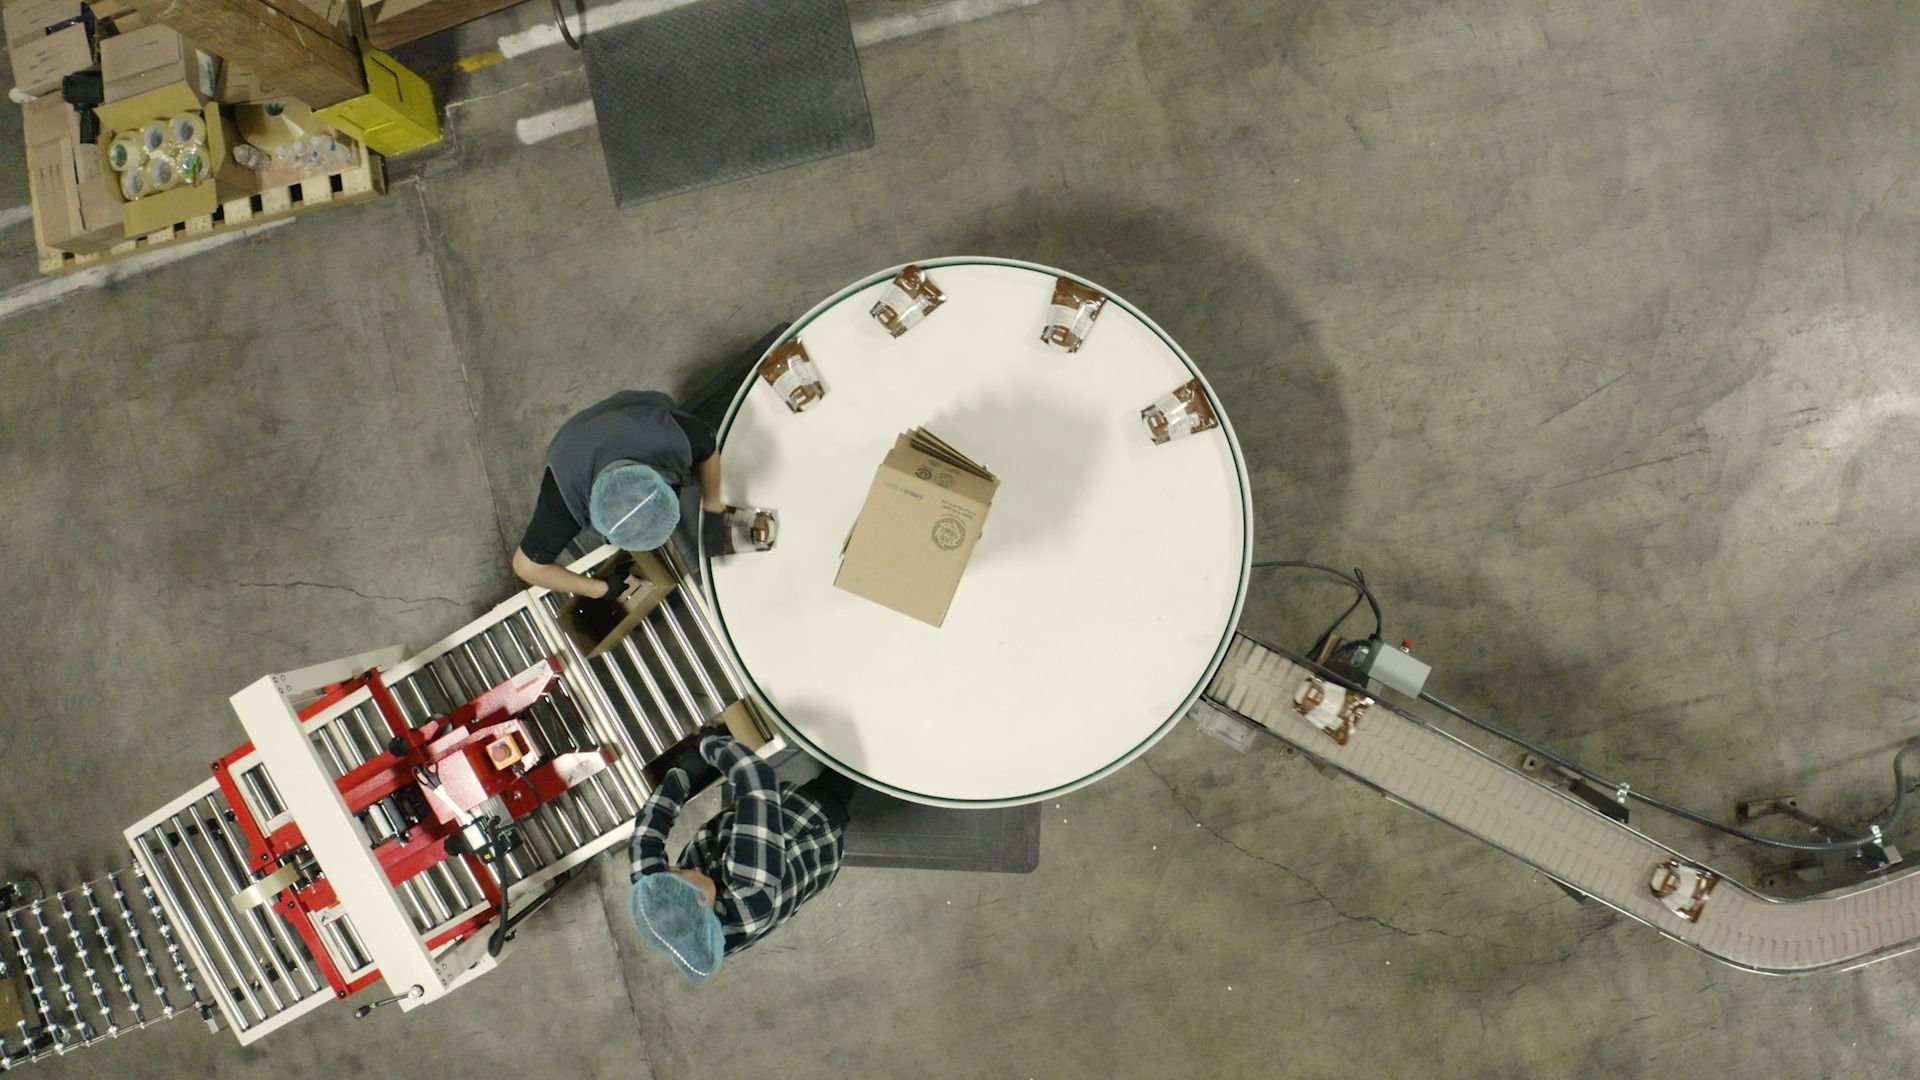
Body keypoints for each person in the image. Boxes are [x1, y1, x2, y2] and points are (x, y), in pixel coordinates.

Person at [627, 733, 857, 982]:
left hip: (751, 844)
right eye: (681, 874)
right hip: (812, 829)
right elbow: (757, 781)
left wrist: (684, 773)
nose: (673, 868)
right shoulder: (748, 890)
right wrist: (708, 745)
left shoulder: (661, 898)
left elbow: (645, 838)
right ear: (703, 902)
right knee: (843, 772)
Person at [512, 390, 725, 598]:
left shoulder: (669, 435)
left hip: (633, 408)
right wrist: (599, 590)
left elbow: (708, 449)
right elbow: (526, 566)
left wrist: (713, 506)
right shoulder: (564, 498)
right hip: (569, 444)